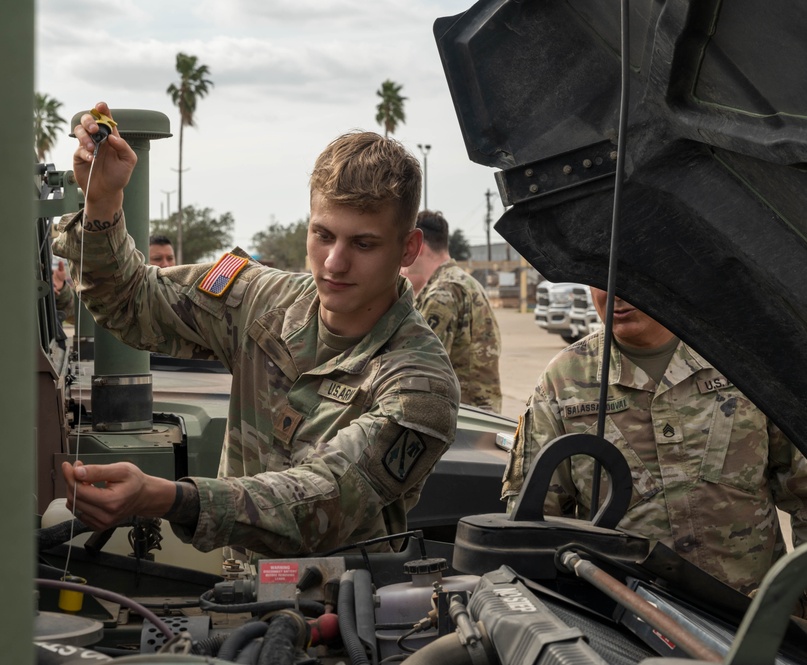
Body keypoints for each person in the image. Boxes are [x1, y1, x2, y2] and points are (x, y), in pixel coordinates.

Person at [52, 103, 460, 559]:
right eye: (323, 235)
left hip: (345, 613)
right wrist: (103, 202)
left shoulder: (421, 386)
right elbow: (131, 300)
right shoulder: (260, 299)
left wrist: (166, 497)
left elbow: (324, 499)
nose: (334, 263)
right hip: (239, 596)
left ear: (409, 248)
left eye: (363, 244)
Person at [501, 287, 807, 595]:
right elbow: (534, 528)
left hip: (755, 626)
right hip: (627, 626)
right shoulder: (561, 382)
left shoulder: (742, 360)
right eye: (600, 277)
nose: (614, 294)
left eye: (628, 275)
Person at [401, 210, 502, 412]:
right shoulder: (465, 282)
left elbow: (417, 370)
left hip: (459, 418)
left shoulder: (442, 292)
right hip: (479, 415)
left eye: (405, 248)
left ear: (418, 246)